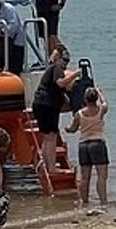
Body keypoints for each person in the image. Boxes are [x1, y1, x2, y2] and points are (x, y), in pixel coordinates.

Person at [31, 44, 79, 189]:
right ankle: (51, 167)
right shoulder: (57, 69)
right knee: (51, 136)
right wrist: (76, 74)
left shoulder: (51, 69)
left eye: (67, 61)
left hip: (40, 104)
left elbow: (61, 92)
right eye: (65, 60)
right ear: (59, 58)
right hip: (47, 105)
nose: (66, 64)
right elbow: (60, 83)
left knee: (47, 136)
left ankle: (47, 163)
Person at [65, 87, 109, 206]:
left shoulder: (79, 114)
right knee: (102, 176)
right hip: (97, 143)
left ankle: (84, 202)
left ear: (85, 99)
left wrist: (67, 129)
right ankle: (103, 201)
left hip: (83, 144)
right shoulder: (101, 109)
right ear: (96, 99)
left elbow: (72, 129)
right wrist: (100, 92)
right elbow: (105, 103)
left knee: (85, 177)